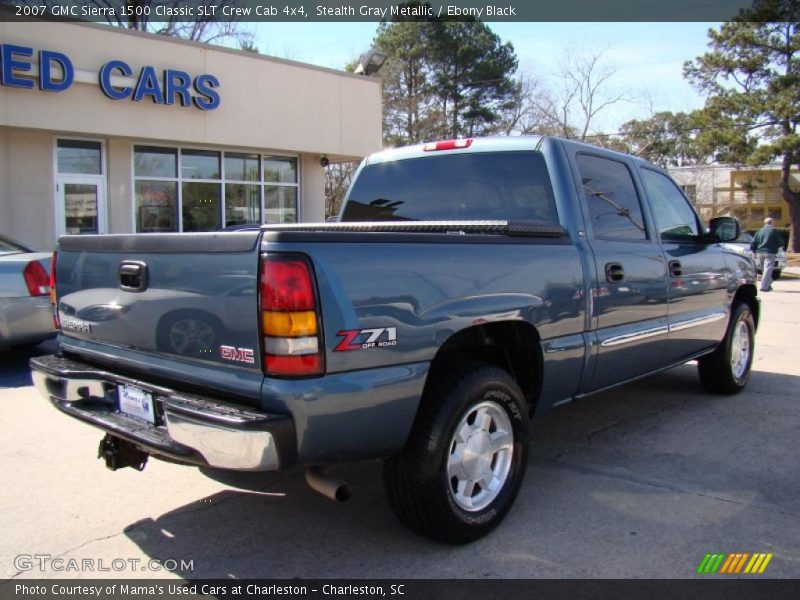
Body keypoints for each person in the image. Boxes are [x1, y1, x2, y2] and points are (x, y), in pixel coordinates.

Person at [750, 217, 784, 292]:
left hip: (760, 253)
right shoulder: (773, 231)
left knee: (764, 270)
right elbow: (780, 242)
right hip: (770, 252)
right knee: (767, 270)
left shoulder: (759, 231)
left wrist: (753, 251)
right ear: (772, 223)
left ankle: (768, 284)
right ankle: (764, 286)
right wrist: (780, 246)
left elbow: (753, 242)